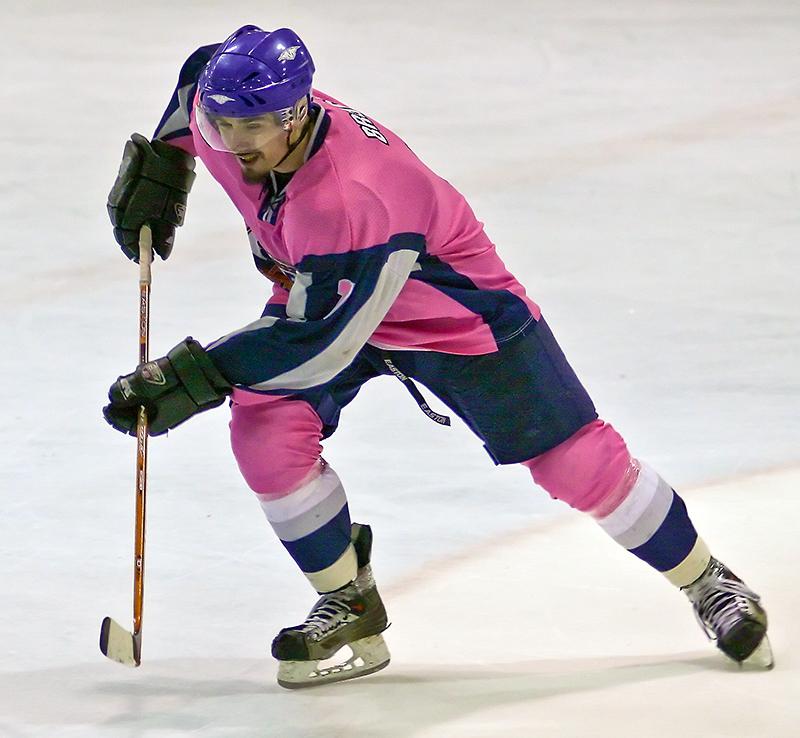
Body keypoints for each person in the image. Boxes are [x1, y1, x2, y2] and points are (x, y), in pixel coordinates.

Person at [104, 24, 772, 688]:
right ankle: (348, 600)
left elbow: (317, 342)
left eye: (249, 128)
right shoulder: (219, 108)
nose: (232, 143)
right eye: (220, 127)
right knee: (265, 432)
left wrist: (192, 378)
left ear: (295, 114)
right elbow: (195, 79)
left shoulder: (354, 195)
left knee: (575, 462)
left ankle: (708, 582)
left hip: (450, 318)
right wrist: (166, 163)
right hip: (325, 293)